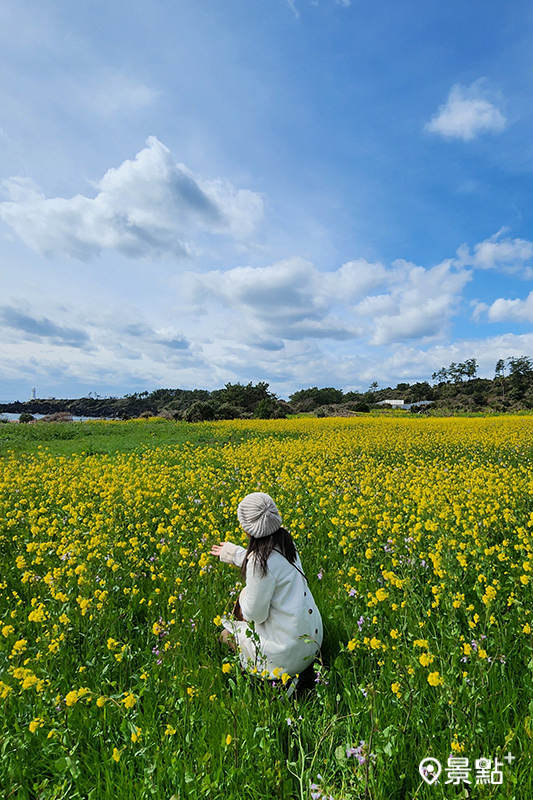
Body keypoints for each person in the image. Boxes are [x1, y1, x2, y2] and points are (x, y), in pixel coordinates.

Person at [210, 491, 323, 679]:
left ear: (248, 529)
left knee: (225, 635)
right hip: (313, 640)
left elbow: (256, 615)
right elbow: (267, 560)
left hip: (288, 657)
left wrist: (242, 599)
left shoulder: (258, 563)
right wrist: (232, 553)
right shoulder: (286, 542)